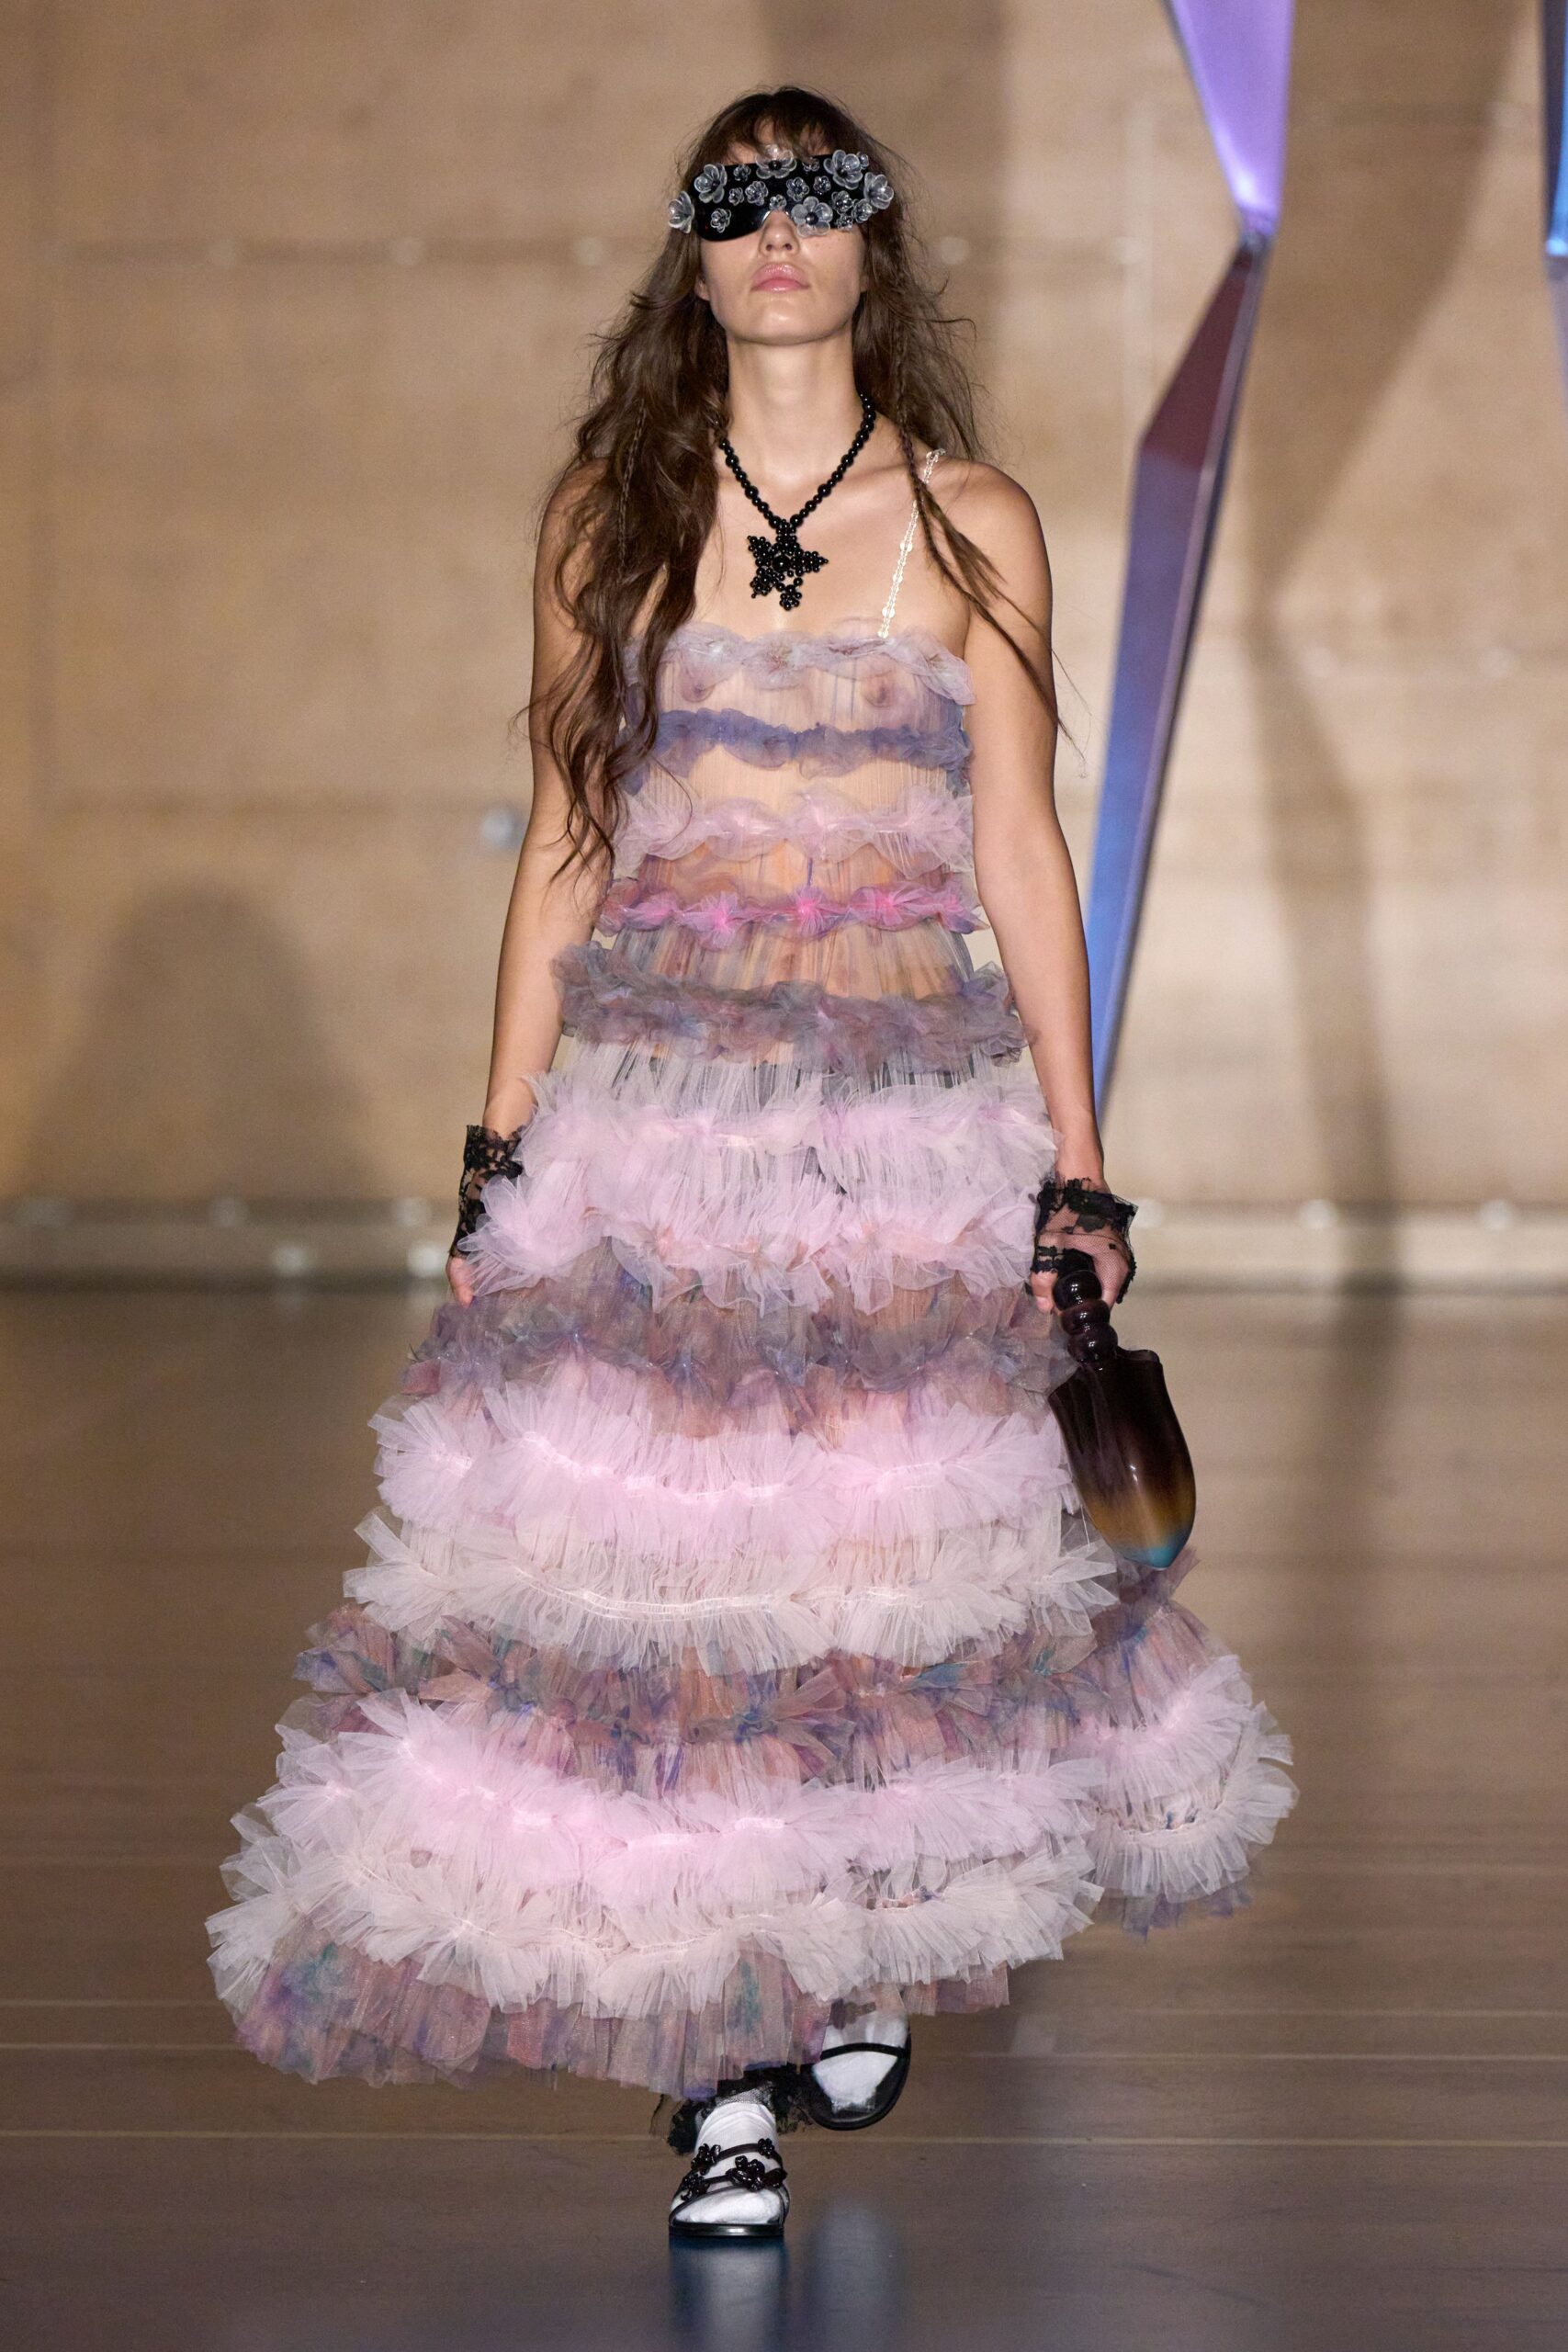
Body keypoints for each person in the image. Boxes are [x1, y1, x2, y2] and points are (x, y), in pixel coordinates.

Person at [208, 85, 1295, 2245]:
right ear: (691, 253)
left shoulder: (969, 521)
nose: (778, 231)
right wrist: (496, 1151)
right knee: (672, 1592)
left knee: (865, 1568)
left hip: (901, 1126)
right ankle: (721, 2072)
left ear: (871, 243)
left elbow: (1015, 845)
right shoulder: (607, 519)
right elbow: (567, 844)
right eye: (739, 198)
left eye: (817, 195)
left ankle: (847, 1937)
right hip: (663, 1135)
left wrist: (1077, 1167)